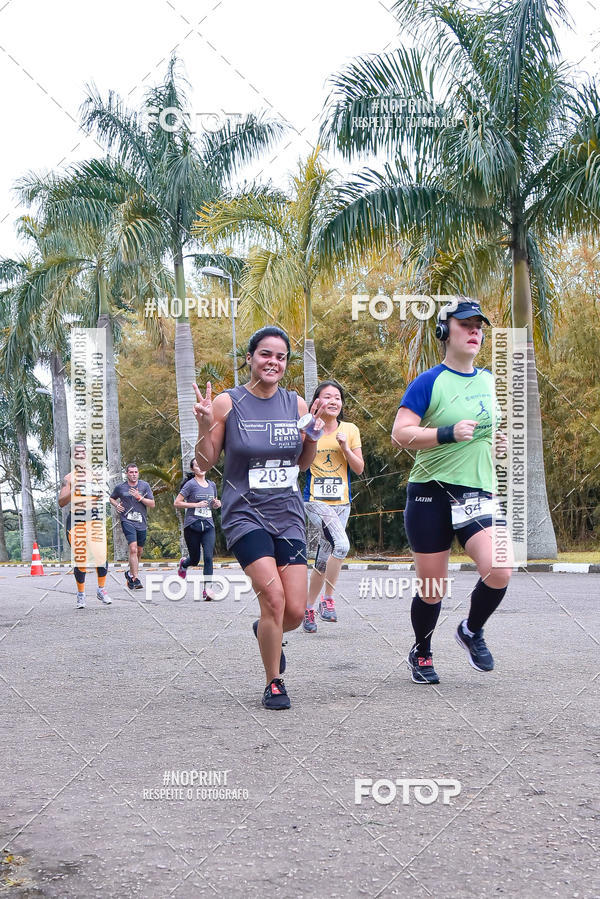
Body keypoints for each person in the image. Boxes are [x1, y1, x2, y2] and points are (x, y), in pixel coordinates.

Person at [192, 325, 326, 710]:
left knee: (295, 611)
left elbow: (301, 464)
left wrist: (313, 437)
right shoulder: (227, 404)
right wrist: (204, 427)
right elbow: (204, 462)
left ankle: (265, 629)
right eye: (266, 354)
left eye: (281, 357)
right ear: (250, 358)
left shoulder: (296, 405)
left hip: (287, 515)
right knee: (273, 597)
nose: (273, 362)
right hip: (244, 515)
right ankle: (274, 682)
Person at [391, 299, 512, 684]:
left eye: (479, 326)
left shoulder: (490, 382)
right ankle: (422, 651)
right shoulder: (429, 382)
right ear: (445, 331)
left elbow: (487, 432)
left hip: (477, 491)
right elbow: (400, 434)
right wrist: (445, 433)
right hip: (430, 493)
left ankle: (471, 630)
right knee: (432, 588)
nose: (475, 331)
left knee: (499, 568)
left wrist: (498, 442)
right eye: (466, 325)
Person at [302, 380, 363, 633]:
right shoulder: (307, 427)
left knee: (323, 559)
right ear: (317, 402)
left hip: (342, 503)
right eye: (328, 397)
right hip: (315, 501)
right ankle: (328, 599)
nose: (334, 401)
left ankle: (308, 609)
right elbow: (301, 466)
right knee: (342, 544)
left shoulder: (349, 429)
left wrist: (345, 448)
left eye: (338, 397)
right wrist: (310, 437)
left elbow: (359, 468)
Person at [58, 443, 112, 609]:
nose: (80, 455)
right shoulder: (68, 478)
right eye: (77, 453)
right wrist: (73, 488)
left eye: (83, 452)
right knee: (81, 558)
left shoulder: (96, 475)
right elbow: (61, 502)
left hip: (94, 518)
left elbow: (104, 494)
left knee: (100, 554)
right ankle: (81, 594)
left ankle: (101, 589)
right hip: (76, 521)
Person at [174, 459, 221, 599]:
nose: (200, 467)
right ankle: (184, 563)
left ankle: (207, 589)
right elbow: (177, 503)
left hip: (208, 526)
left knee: (208, 557)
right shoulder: (190, 485)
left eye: (202, 464)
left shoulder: (212, 485)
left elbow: (214, 504)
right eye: (197, 465)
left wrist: (217, 504)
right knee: (195, 559)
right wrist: (196, 504)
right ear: (193, 469)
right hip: (192, 525)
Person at [109, 463, 155, 590]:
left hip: (141, 522)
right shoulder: (120, 487)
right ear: (127, 474)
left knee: (139, 551)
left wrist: (139, 497)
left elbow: (152, 504)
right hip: (127, 520)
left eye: (136, 472)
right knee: (133, 549)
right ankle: (135, 578)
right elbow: (111, 498)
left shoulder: (144, 486)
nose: (134, 474)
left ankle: (130, 574)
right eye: (131, 472)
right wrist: (116, 505)